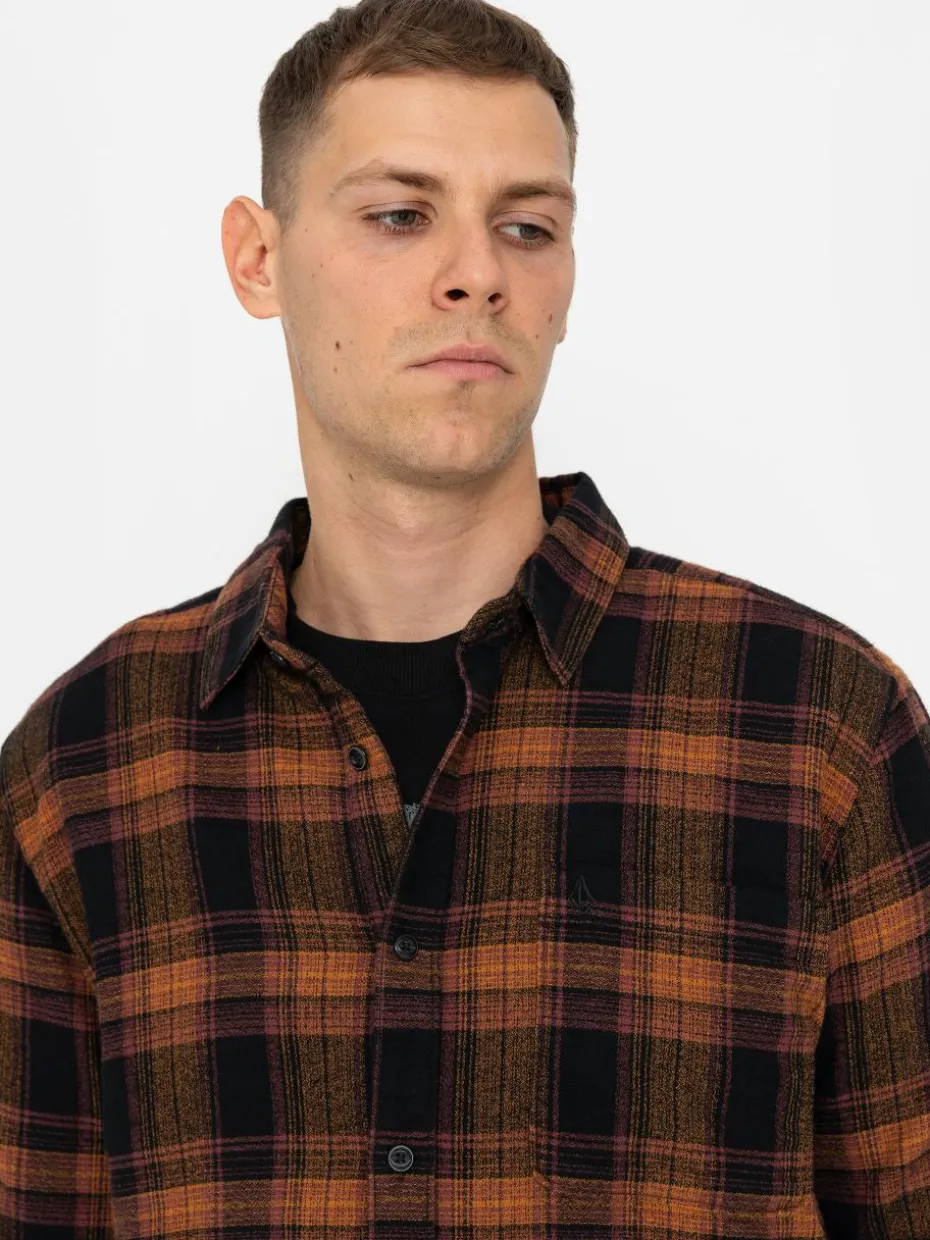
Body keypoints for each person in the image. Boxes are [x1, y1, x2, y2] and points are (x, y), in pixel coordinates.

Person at [1, 0, 928, 1234]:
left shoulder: (821, 730)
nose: (478, 272)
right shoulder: (85, 765)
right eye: (401, 214)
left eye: (527, 226)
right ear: (257, 260)